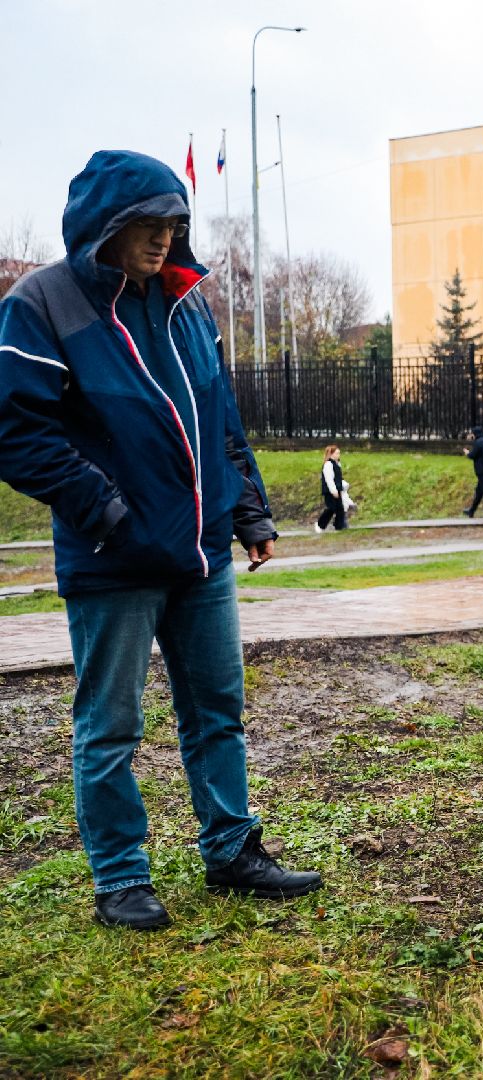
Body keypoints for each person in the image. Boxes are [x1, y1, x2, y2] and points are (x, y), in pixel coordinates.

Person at [0, 150, 322, 930]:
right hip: (113, 559)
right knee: (110, 728)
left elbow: (218, 415)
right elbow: (16, 432)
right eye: (147, 224)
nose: (163, 239)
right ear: (104, 225)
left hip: (202, 553)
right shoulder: (41, 303)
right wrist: (106, 512)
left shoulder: (186, 300)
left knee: (218, 711)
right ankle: (120, 879)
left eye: (174, 224)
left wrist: (249, 512)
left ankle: (232, 850)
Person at [316, 444, 347, 532]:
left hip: (337, 489)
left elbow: (338, 478)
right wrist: (333, 490)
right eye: (337, 453)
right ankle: (320, 525)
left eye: (339, 453)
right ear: (331, 454)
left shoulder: (337, 464)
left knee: (340, 509)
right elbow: (329, 479)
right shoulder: (328, 464)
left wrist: (343, 485)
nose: (338, 455)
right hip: (330, 491)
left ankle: (339, 527)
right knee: (331, 508)